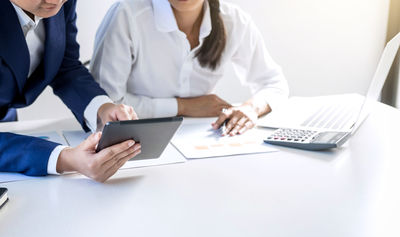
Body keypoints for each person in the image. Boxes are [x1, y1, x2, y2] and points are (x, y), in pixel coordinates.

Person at [91, 0, 289, 136]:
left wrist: (250, 108)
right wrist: (183, 107)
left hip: (201, 137)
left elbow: (274, 83)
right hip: (135, 138)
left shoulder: (234, 20)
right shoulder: (127, 14)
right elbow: (108, 105)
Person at [0, 0, 142, 182]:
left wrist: (102, 108)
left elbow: (64, 65)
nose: (54, 0)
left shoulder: (61, 4)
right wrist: (64, 158)